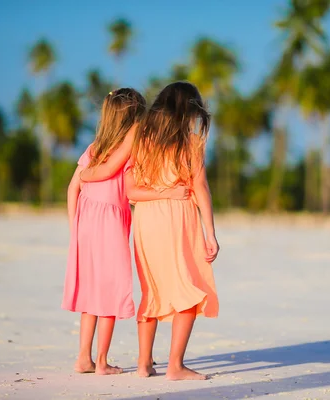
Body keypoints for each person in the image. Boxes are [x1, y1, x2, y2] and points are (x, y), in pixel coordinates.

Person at [62, 88, 189, 375]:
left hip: (85, 220)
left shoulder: (93, 147)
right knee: (109, 289)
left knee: (91, 290)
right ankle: (102, 361)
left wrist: (75, 228)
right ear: (134, 119)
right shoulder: (129, 148)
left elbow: (73, 188)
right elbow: (112, 177)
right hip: (109, 223)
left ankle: (84, 357)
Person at [127, 81, 220, 380]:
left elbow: (131, 191)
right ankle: (175, 366)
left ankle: (143, 364)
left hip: (146, 221)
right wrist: (210, 233)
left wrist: (158, 194)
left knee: (151, 290)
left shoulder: (139, 136)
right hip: (177, 219)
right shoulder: (191, 142)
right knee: (189, 289)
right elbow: (200, 188)